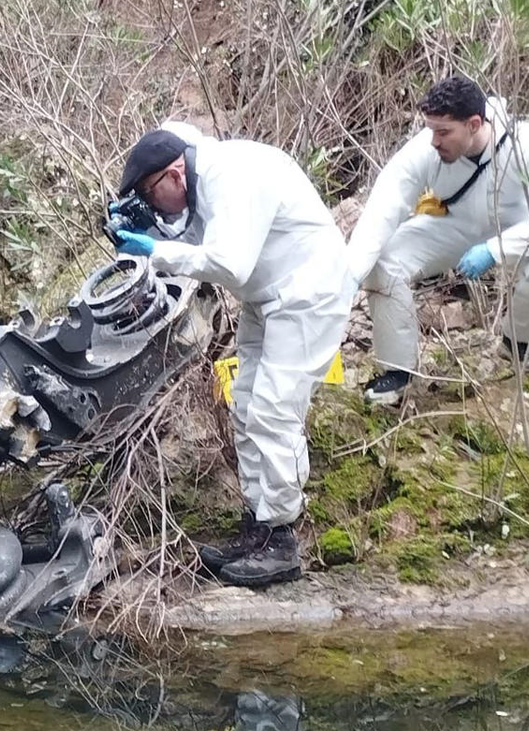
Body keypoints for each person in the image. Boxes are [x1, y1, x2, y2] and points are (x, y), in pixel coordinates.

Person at [112, 122, 351, 587]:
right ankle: (259, 525)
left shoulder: (233, 176)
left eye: (148, 191)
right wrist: (145, 232)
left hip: (308, 293)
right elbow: (204, 245)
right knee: (244, 404)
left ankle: (282, 540)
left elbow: (227, 262)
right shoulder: (203, 183)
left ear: (174, 175)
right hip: (269, 297)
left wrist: (156, 252)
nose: (149, 201)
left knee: (274, 409)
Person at [348, 75, 529, 405]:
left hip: (517, 232)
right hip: (454, 226)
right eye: (431, 130)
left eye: (444, 132)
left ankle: (520, 343)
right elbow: (385, 205)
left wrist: (496, 250)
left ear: (473, 124)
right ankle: (397, 372)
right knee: (385, 263)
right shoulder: (425, 150)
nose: (434, 141)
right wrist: (352, 271)